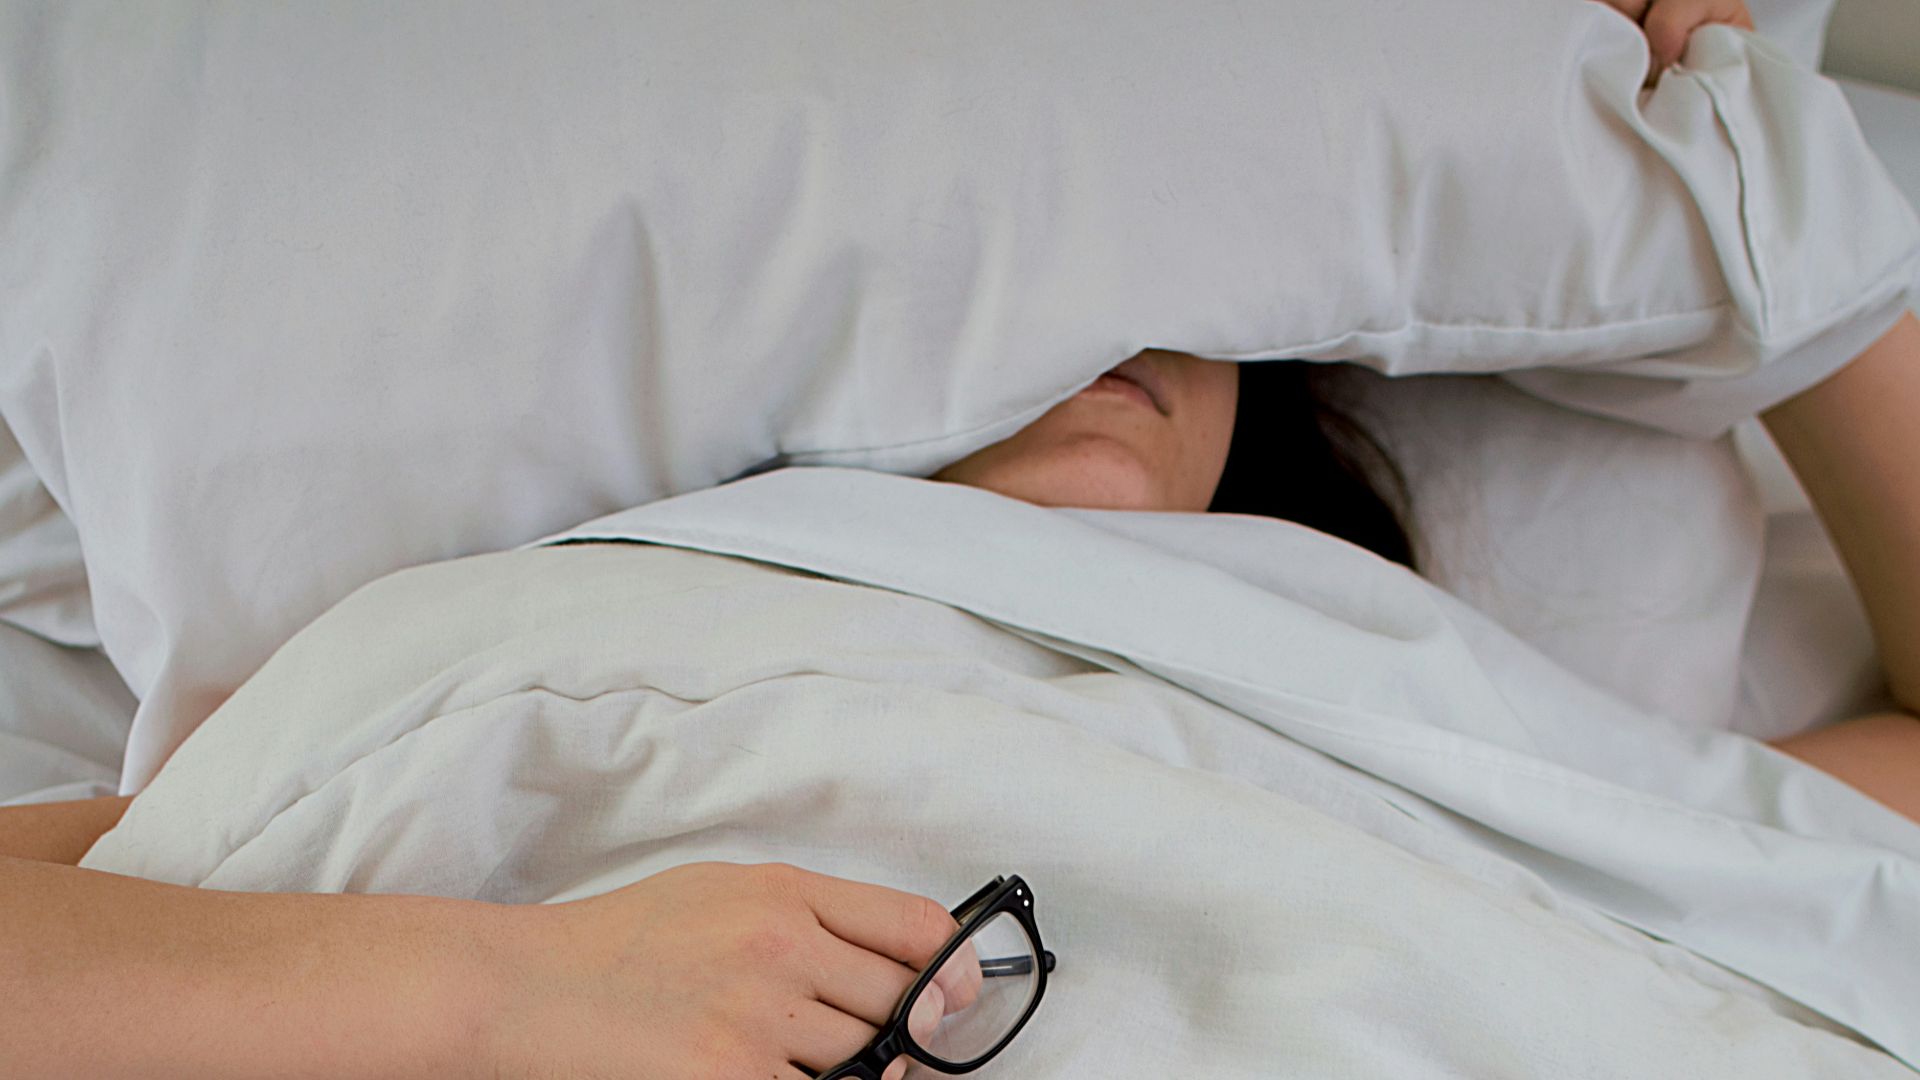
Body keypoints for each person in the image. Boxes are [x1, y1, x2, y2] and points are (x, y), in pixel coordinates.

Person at [6, 3, 1917, 1077]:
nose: (1117, 335)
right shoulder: (560, 645)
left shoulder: (1386, 693)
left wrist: (1744, 174)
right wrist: (505, 994)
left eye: (1197, 292)